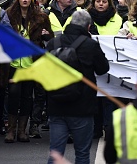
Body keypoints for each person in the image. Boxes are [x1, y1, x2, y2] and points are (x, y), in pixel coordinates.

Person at [45, 10, 109, 164]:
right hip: (82, 107)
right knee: (82, 153)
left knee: (56, 152)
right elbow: (102, 69)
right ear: (88, 27)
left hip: (56, 105)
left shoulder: (54, 43)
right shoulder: (90, 45)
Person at [5, 0, 53, 143]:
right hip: (13, 64)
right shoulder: (9, 15)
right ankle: (11, 130)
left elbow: (49, 36)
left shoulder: (41, 17)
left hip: (31, 63)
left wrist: (46, 35)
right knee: (13, 96)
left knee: (27, 97)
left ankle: (22, 131)